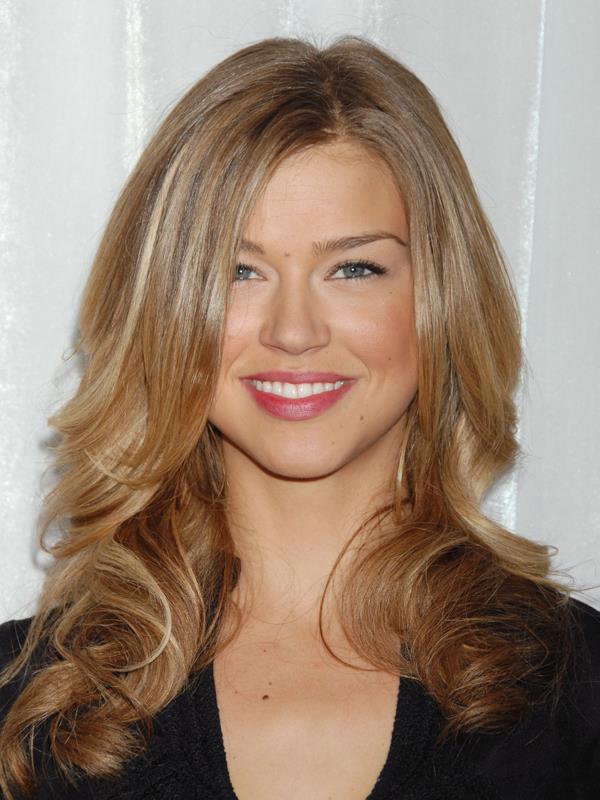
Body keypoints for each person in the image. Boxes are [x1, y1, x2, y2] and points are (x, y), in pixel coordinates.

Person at [0, 33, 598, 800]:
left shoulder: (577, 692)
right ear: (166, 310)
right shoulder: (28, 707)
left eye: (353, 268)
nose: (293, 330)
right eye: (238, 270)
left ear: (442, 299)